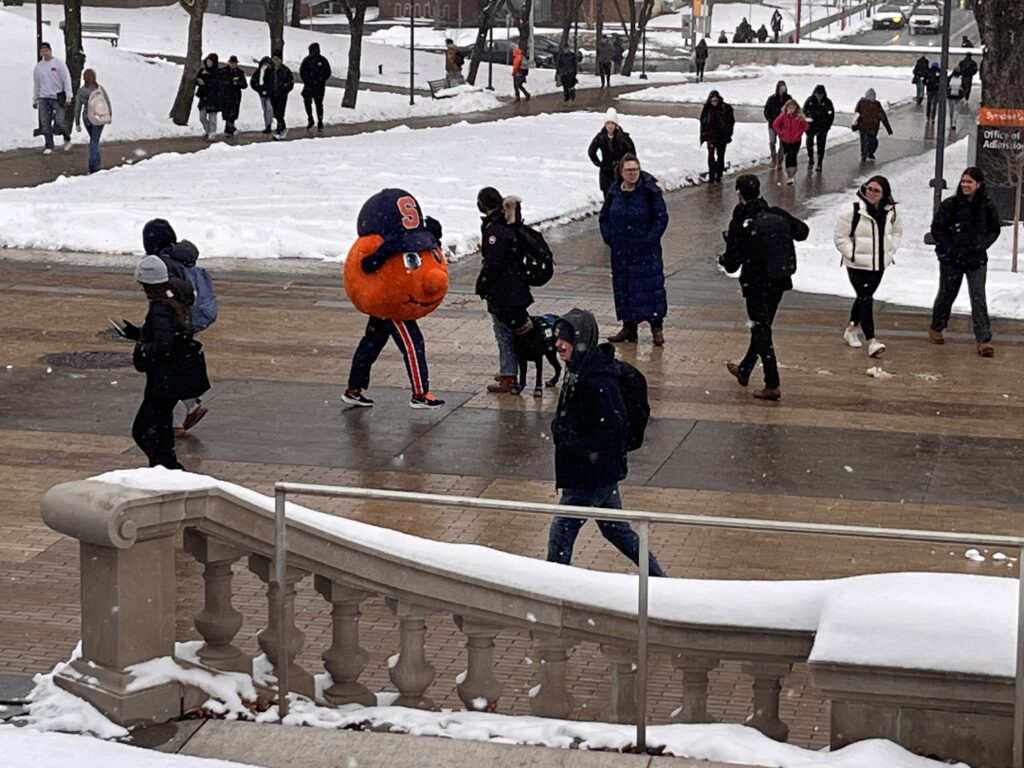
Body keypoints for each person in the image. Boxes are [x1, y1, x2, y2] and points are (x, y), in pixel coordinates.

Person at [546, 308, 667, 576]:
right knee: (617, 531)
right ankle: (660, 580)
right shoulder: (579, 368)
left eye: (564, 338)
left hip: (589, 475)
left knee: (561, 533)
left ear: (580, 339)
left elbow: (614, 428)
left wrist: (574, 446)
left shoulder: (598, 379)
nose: (558, 344)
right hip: (598, 472)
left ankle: (552, 588)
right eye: (557, 338)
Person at [720, 174, 809, 401]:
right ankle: (745, 369)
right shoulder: (776, 213)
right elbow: (803, 231)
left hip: (755, 282)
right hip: (779, 280)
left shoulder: (740, 219)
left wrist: (724, 257)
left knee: (761, 330)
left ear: (739, 193)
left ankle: (772, 383)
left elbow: (732, 264)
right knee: (763, 327)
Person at [130, 256, 209, 469]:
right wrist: (137, 334)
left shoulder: (160, 308)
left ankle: (165, 468)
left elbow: (164, 345)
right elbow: (171, 335)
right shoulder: (175, 300)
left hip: (163, 381)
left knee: (143, 429)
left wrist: (143, 348)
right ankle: (166, 466)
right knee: (160, 428)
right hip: (171, 379)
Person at [929, 167, 1002, 357]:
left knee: (978, 298)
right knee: (947, 294)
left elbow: (995, 229)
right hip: (952, 259)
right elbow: (938, 228)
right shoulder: (950, 205)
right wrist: (947, 249)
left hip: (976, 260)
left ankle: (983, 339)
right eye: (963, 181)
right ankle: (937, 326)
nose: (965, 185)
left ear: (978, 184)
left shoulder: (986, 206)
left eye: (969, 182)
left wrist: (981, 244)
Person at [600, 154, 669, 346]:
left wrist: (649, 239)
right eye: (628, 170)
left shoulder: (649, 191)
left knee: (650, 289)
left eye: (635, 170)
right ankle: (629, 327)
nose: (632, 174)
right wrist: (609, 237)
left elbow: (661, 218)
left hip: (645, 252)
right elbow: (604, 216)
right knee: (624, 289)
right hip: (621, 252)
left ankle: (656, 327)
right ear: (621, 172)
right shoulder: (615, 191)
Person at [833, 176, 903, 358]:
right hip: (857, 264)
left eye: (876, 190)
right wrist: (852, 254)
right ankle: (871, 340)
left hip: (879, 263)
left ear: (884, 194)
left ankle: (851, 328)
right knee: (866, 298)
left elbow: (896, 232)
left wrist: (890, 249)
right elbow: (840, 236)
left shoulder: (891, 212)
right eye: (869, 188)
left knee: (864, 297)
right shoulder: (853, 210)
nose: (871, 193)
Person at [475, 187, 533, 394]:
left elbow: (494, 263)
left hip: (503, 290)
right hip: (515, 286)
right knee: (511, 329)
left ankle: (509, 375)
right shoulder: (508, 223)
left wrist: (483, 283)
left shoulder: (496, 230)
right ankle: (509, 370)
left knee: (504, 332)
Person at [32, 41, 73, 156]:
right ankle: (49, 145)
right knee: (45, 122)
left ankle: (67, 137)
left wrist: (68, 96)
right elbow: (37, 84)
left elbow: (66, 80)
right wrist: (35, 99)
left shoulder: (58, 64)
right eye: (42, 51)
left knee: (59, 120)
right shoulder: (39, 67)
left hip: (57, 96)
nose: (45, 53)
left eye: (46, 51)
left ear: (50, 51)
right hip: (43, 97)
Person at [587, 108, 636, 196]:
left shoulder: (623, 138)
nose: (610, 126)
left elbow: (632, 154)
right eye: (608, 123)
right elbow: (591, 151)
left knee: (620, 198)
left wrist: (625, 165)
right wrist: (600, 164)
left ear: (616, 124)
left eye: (612, 123)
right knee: (608, 198)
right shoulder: (600, 137)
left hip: (620, 173)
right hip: (606, 173)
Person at [72, 68, 111, 174]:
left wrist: (77, 121)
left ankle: (96, 163)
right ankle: (94, 165)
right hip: (99, 117)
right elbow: (107, 102)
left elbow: (78, 107)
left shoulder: (81, 91)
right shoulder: (100, 89)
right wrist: (109, 116)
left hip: (87, 118)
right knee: (95, 140)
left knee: (94, 140)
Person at [699, 89, 735, 183]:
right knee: (711, 156)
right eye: (712, 101)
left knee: (720, 156)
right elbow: (703, 122)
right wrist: (703, 135)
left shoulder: (725, 108)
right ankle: (711, 175)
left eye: (715, 100)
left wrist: (728, 134)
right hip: (711, 136)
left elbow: (730, 122)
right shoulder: (707, 108)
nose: (713, 103)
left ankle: (718, 175)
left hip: (721, 136)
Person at [771, 99, 808, 186]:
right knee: (787, 156)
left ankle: (793, 174)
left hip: (796, 140)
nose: (791, 109)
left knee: (793, 156)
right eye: (789, 107)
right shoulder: (783, 116)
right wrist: (781, 133)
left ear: (796, 108)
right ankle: (789, 175)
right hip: (785, 140)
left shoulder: (798, 116)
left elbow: (805, 126)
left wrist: (799, 133)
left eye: (793, 107)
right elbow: (775, 125)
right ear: (786, 108)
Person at [300, 42, 332, 133]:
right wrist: (307, 80)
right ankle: (311, 119)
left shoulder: (322, 60)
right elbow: (302, 72)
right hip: (309, 86)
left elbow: (328, 72)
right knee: (308, 102)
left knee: (318, 104)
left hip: (319, 86)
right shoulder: (307, 60)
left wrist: (321, 79)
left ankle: (319, 121)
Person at [853, 88, 892, 161]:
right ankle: (868, 154)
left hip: (865, 126)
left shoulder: (863, 102)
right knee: (872, 141)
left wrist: (854, 125)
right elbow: (883, 117)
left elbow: (856, 113)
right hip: (872, 126)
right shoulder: (874, 104)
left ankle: (865, 154)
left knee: (865, 141)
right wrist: (889, 129)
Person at [802, 84, 834, 173]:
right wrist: (806, 123)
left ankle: (820, 162)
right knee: (809, 143)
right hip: (811, 126)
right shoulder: (810, 101)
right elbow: (804, 112)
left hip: (822, 127)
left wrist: (828, 125)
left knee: (821, 145)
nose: (819, 96)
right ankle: (810, 159)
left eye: (820, 94)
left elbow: (831, 114)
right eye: (817, 94)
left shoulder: (827, 102)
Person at [266, 50, 294, 140]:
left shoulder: (285, 70)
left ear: (280, 60)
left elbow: (290, 82)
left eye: (277, 59)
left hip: (281, 95)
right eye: (273, 59)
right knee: (275, 113)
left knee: (280, 113)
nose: (275, 60)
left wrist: (284, 89)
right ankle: (281, 128)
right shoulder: (269, 70)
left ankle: (280, 129)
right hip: (272, 95)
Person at [195, 53, 222, 141]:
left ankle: (212, 134)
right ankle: (208, 130)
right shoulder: (202, 70)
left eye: (210, 61)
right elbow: (197, 79)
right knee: (202, 117)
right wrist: (199, 81)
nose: (208, 63)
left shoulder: (217, 73)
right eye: (207, 61)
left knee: (212, 117)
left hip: (213, 98)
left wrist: (206, 81)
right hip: (204, 97)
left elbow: (217, 85)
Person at [763, 80, 789, 169]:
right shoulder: (772, 98)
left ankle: (780, 160)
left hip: (783, 126)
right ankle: (773, 157)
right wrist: (770, 119)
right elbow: (766, 110)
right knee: (773, 141)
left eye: (784, 87)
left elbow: (792, 110)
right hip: (773, 124)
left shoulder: (788, 99)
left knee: (783, 143)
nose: (782, 89)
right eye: (781, 87)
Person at [220, 56, 248, 137]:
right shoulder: (223, 71)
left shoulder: (240, 73)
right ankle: (230, 128)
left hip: (235, 96)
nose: (232, 65)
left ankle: (229, 129)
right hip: (225, 95)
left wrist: (237, 83)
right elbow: (220, 82)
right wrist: (229, 82)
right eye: (231, 63)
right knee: (227, 113)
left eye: (234, 63)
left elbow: (244, 85)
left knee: (233, 113)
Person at [250, 56, 275, 134]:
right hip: (262, 94)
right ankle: (267, 123)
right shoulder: (258, 72)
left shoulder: (273, 72)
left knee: (269, 108)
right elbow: (253, 82)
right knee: (265, 109)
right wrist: (260, 89)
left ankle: (269, 124)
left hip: (270, 94)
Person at [946, 67, 966, 132]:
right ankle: (954, 122)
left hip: (950, 97)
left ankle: (951, 122)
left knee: (951, 110)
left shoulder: (949, 79)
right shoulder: (961, 80)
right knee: (956, 110)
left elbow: (946, 86)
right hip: (958, 97)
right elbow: (965, 87)